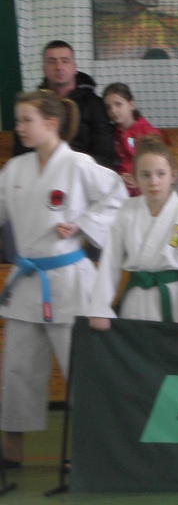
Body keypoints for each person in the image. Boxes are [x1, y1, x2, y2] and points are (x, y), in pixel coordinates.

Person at [0, 91, 125, 468]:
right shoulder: (14, 169)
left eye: (26, 120)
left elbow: (117, 194)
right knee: (17, 370)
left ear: (51, 123)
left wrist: (84, 224)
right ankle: (11, 451)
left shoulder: (79, 164)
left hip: (70, 281)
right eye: (18, 121)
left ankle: (92, 451)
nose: (19, 128)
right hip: (26, 281)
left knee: (80, 369)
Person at [88, 140, 178, 339]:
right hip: (135, 303)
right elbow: (110, 261)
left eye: (160, 174)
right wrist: (100, 307)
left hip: (174, 302)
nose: (153, 181)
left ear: (173, 175)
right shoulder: (126, 211)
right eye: (145, 175)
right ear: (134, 179)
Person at [15, 41, 117, 169]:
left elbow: (105, 154)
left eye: (65, 61)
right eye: (52, 61)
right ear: (44, 69)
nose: (59, 67)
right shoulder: (32, 107)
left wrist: (74, 171)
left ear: (74, 67)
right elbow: (21, 152)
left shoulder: (95, 105)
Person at [102, 82, 163, 196]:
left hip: (144, 190)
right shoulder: (110, 134)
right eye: (109, 107)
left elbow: (157, 164)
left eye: (118, 104)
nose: (113, 110)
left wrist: (140, 180)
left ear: (131, 105)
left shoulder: (147, 132)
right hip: (118, 189)